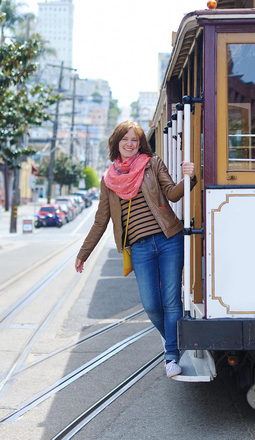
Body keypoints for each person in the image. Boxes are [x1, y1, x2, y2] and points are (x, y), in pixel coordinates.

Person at [75, 120, 196, 378]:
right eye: (125, 139)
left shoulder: (153, 164)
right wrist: (83, 253)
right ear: (116, 143)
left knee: (171, 300)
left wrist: (190, 177)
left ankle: (171, 355)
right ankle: (173, 339)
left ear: (140, 144)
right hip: (139, 247)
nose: (130, 144)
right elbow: (100, 220)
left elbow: (173, 195)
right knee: (151, 304)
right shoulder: (109, 181)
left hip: (168, 239)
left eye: (135, 140)